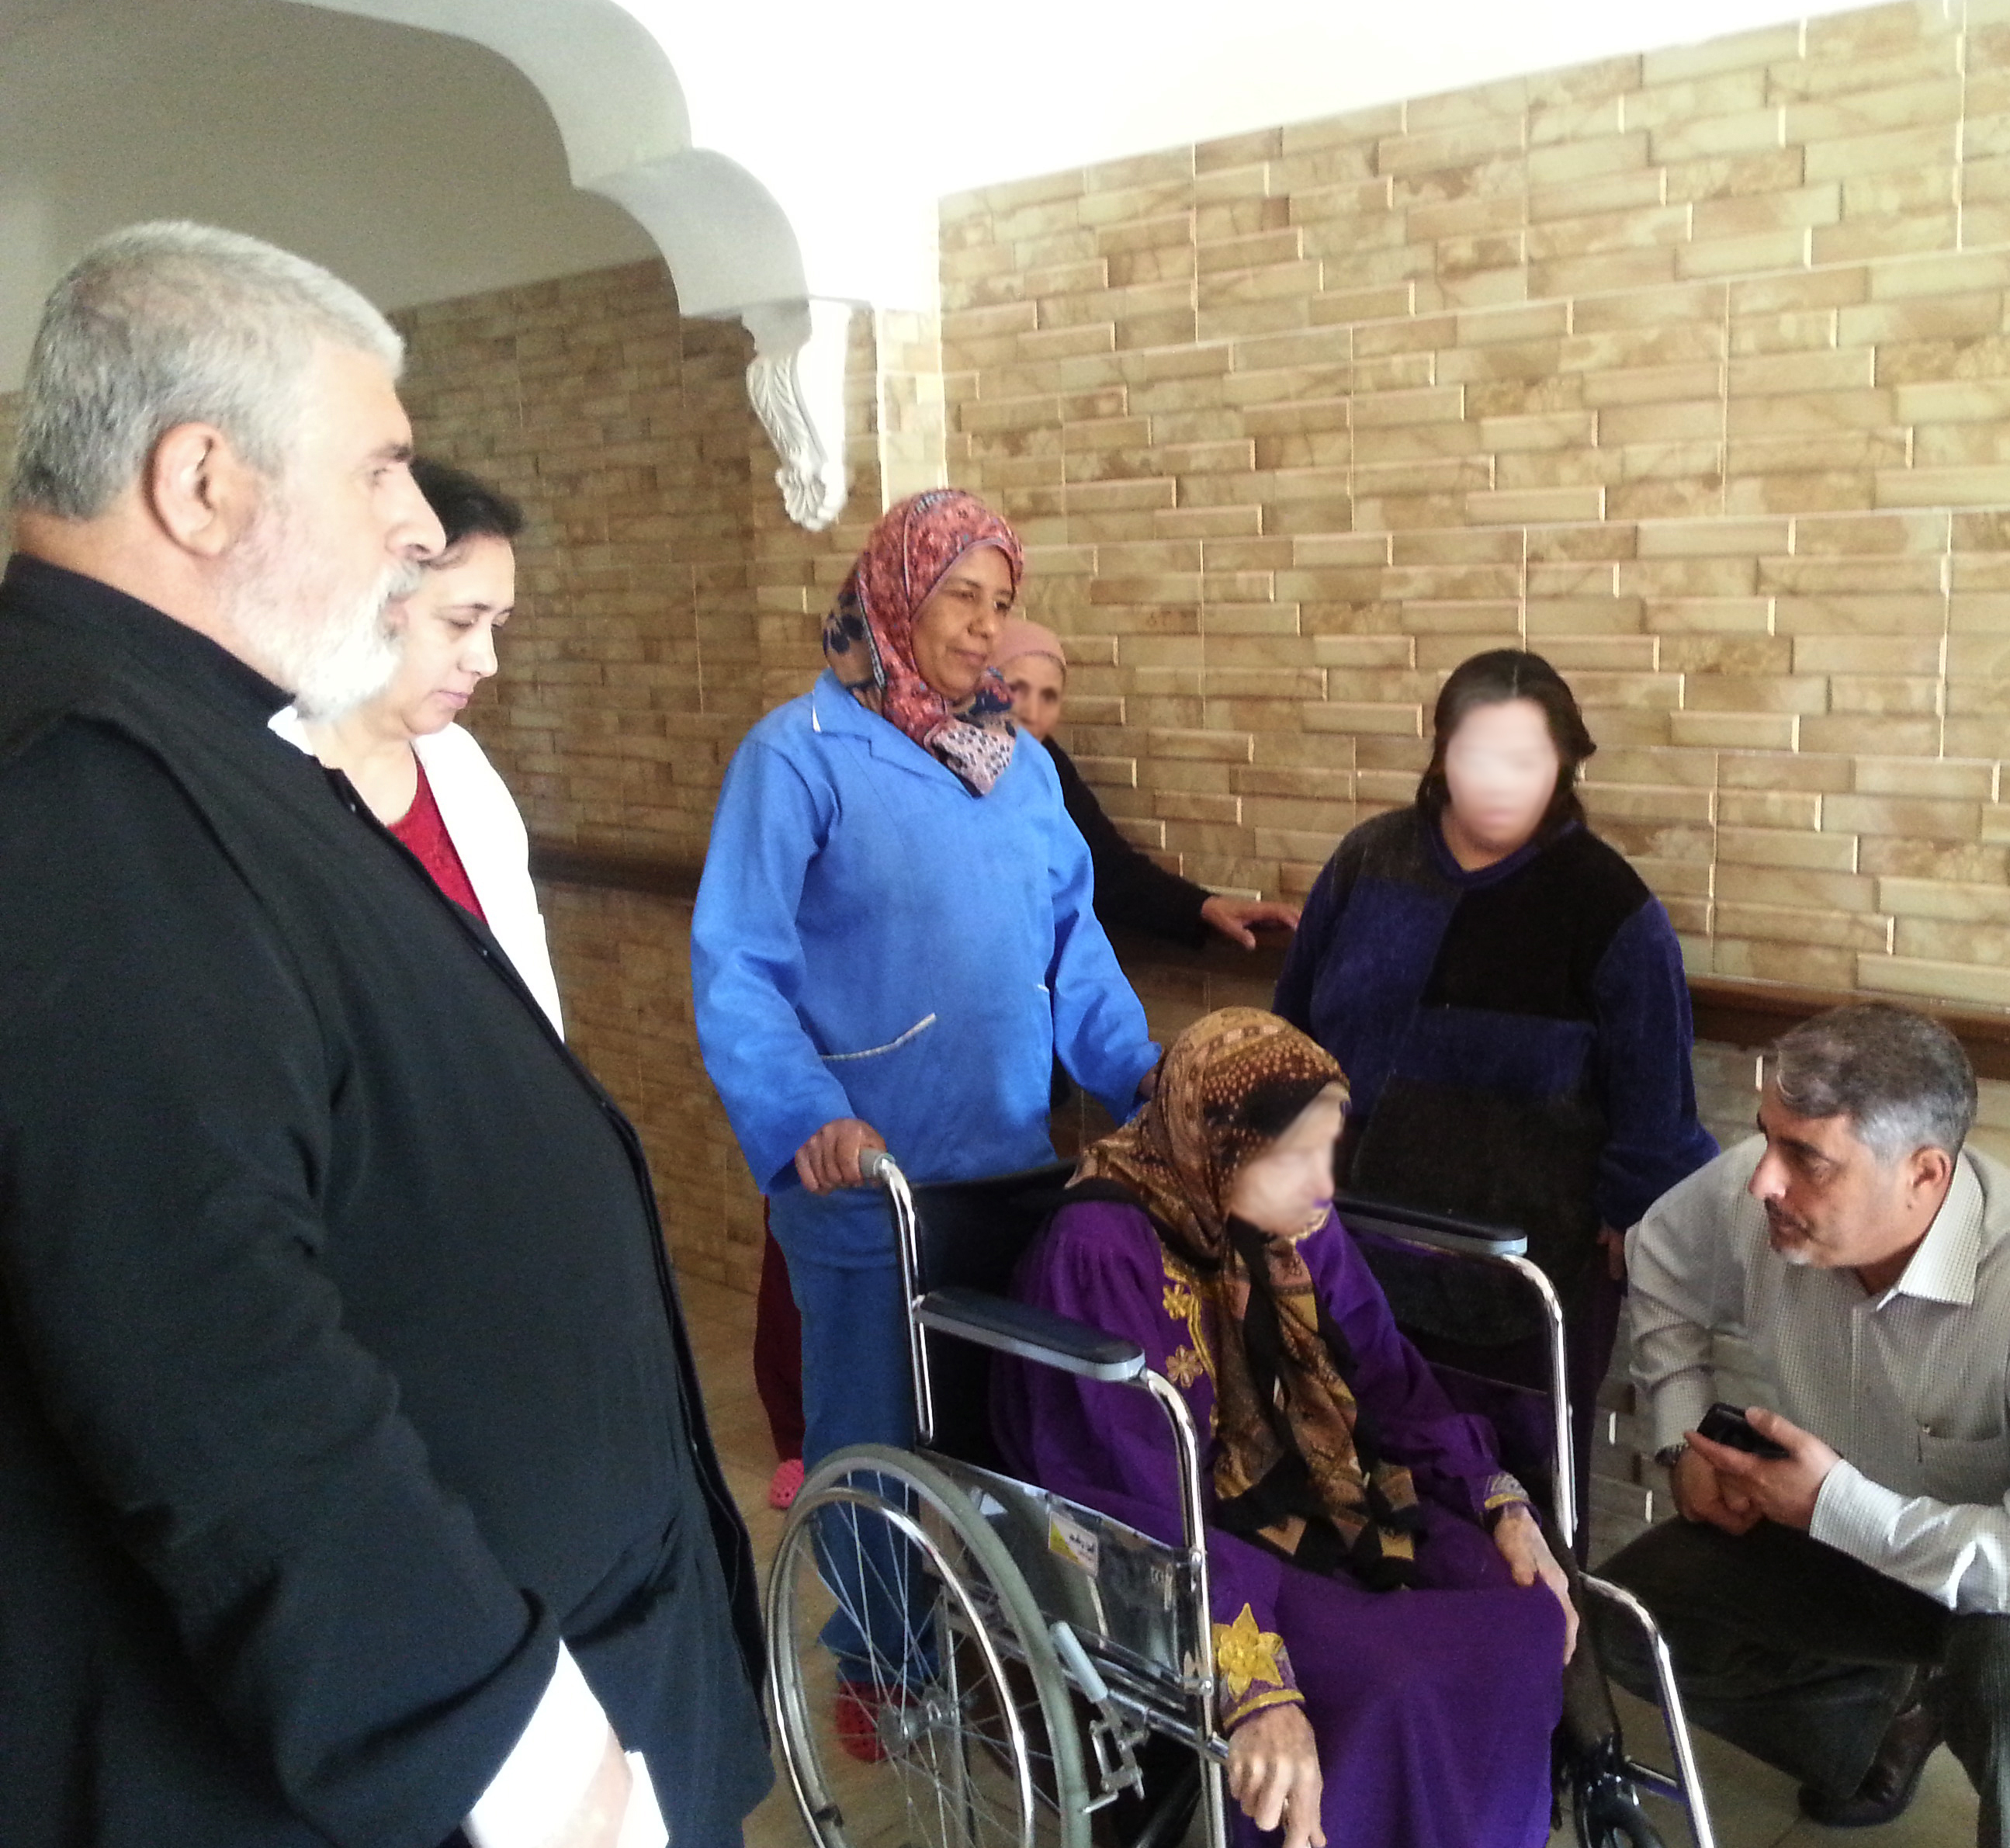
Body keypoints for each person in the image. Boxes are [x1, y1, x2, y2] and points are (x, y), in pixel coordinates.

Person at [0, 222, 764, 1848]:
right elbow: (212, 1362)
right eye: (381, 469)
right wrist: (524, 1768)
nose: (417, 525)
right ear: (201, 482)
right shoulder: (76, 786)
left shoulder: (200, 748)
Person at [690, 486, 1159, 1746]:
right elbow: (737, 966)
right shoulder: (798, 752)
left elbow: (1077, 957)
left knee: (1007, 1419)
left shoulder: (1020, 769)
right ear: (896, 593)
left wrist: (1146, 1084)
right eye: (961, 594)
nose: (984, 625)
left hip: (1009, 1158)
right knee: (878, 1430)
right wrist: (805, 1113)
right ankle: (880, 1658)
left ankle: (997, 1639)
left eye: (1001, 601)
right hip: (866, 1172)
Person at [994, 1007, 1575, 1848]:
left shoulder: (1299, 1224)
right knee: (1394, 1676)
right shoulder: (1099, 1247)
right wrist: (1251, 1679)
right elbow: (1126, 1486)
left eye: (1329, 1151)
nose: (1323, 1186)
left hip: (1323, 1490)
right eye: (1295, 1156)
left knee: (1527, 1610)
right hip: (1197, 1537)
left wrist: (1500, 1502)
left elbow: (1384, 1376)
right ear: (1219, 1145)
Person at [1604, 1004, 2010, 1846]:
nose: (1762, 1182)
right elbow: (1659, 1259)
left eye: (1807, 1158)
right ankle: (1879, 1715)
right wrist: (1681, 1435)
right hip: (1842, 1536)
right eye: (1768, 1139)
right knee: (1620, 1621)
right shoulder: (1759, 1191)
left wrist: (1833, 1506)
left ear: (1924, 1174)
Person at [1271, 648, 1718, 1509]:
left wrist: (1636, 1214)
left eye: (1526, 759)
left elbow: (1656, 1109)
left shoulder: (1607, 903)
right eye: (1477, 754)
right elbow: (1288, 1037)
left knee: (1512, 1510)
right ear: (1441, 753)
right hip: (1344, 1249)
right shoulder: (1370, 860)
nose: (1498, 783)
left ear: (1565, 765)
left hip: (1518, 1275)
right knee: (1345, 1495)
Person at [277, 456, 563, 1031]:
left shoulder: (460, 768)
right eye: (460, 622)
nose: (485, 661)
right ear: (367, 602)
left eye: (495, 626)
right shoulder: (263, 777)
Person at [993, 616, 1301, 951]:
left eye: (1049, 697)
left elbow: (1106, 867)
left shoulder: (1047, 764)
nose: (1032, 713)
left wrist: (1203, 906)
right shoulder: (953, 772)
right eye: (1016, 690)